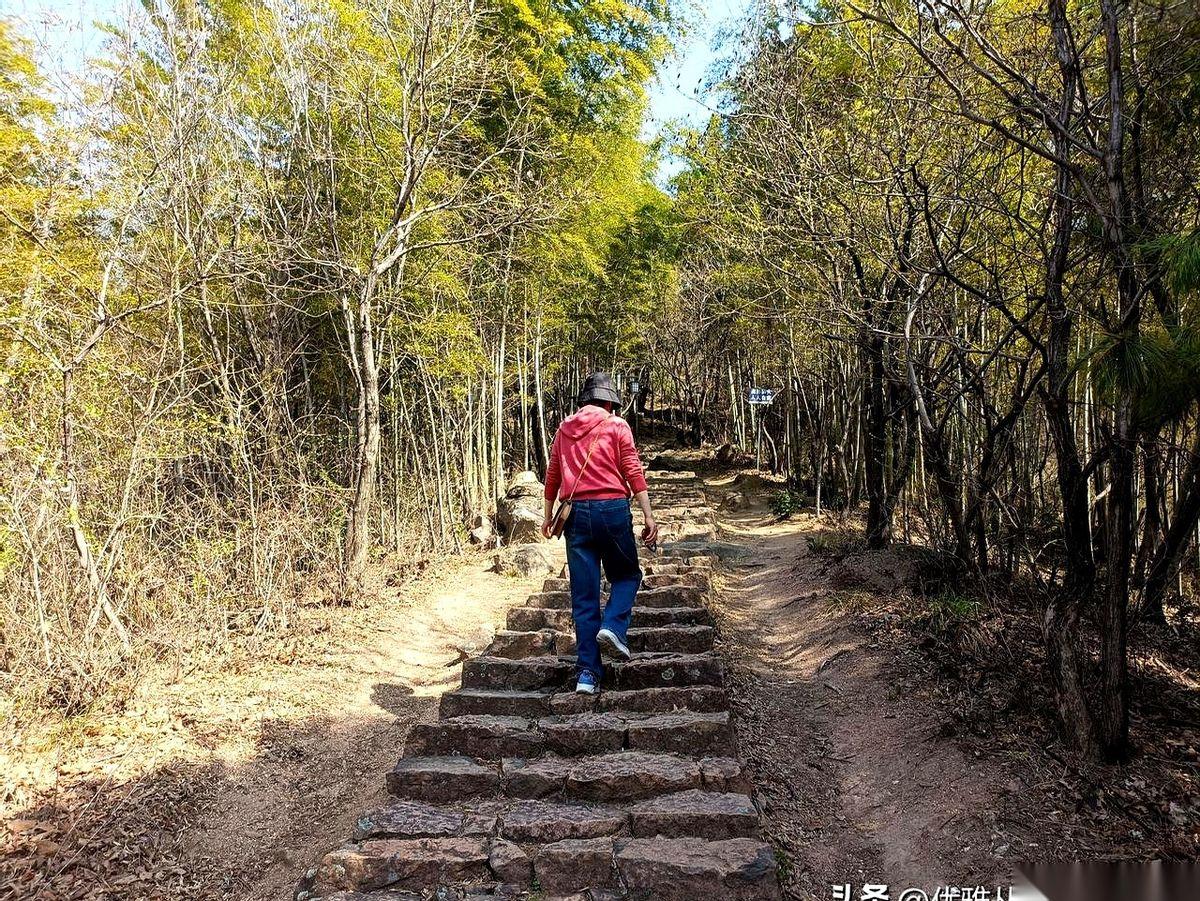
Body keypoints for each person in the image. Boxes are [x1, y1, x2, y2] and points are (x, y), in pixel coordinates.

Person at [542, 372, 660, 694]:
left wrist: (547, 515)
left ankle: (587, 675)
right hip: (611, 511)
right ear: (610, 401)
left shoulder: (564, 429)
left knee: (584, 596)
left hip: (575, 514)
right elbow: (632, 471)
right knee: (626, 575)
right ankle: (613, 627)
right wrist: (648, 516)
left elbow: (552, 474)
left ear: (584, 400)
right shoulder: (617, 426)